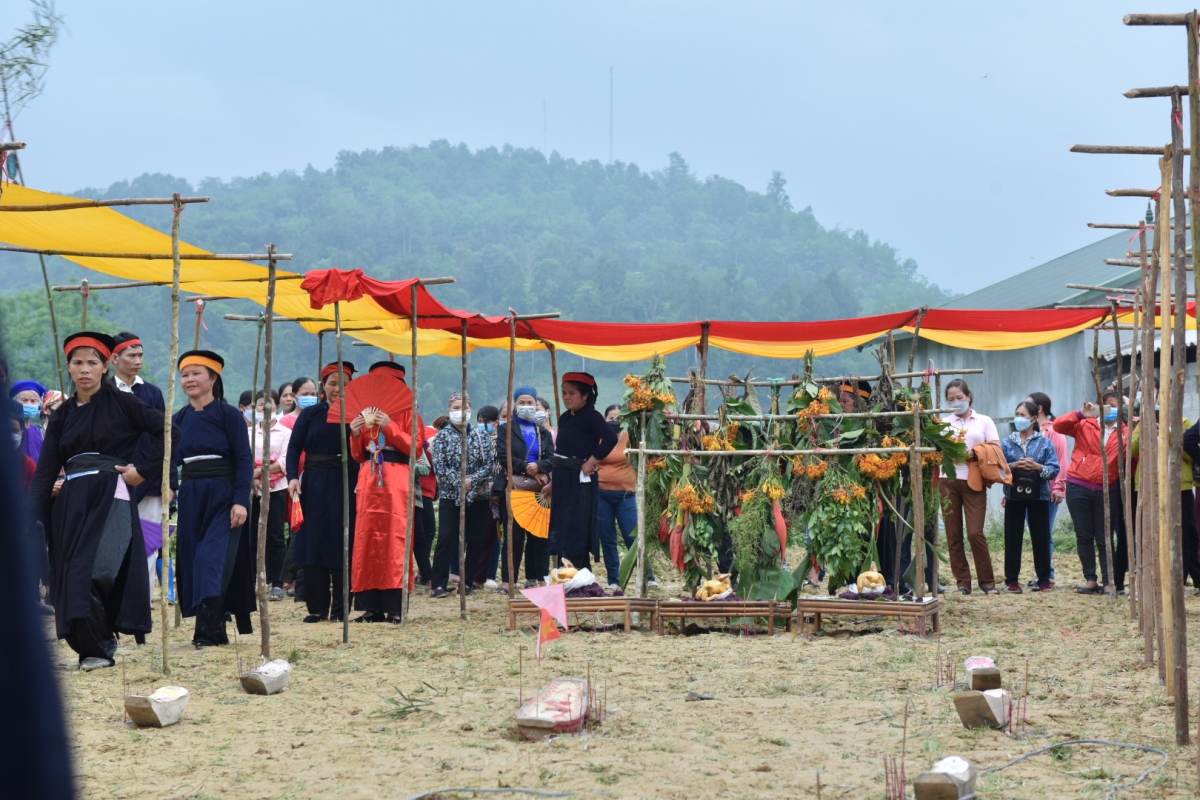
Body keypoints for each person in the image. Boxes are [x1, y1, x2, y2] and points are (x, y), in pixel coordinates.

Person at [28, 332, 164, 669]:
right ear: (69, 367)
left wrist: (142, 471)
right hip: (72, 502)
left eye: (92, 362)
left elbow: (169, 430)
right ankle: (90, 647)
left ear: (106, 366)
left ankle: (100, 646)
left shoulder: (123, 401)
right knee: (68, 573)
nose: (84, 369)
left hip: (112, 496)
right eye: (77, 362)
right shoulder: (61, 416)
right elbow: (45, 471)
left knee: (95, 570)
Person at [172, 350, 254, 647]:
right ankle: (215, 627)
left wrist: (240, 500)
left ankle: (205, 632)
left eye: (196, 373)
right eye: (185, 374)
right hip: (192, 495)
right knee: (194, 560)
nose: (189, 379)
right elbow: (168, 459)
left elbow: (244, 460)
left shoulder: (229, 415)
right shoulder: (179, 418)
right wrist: (170, 486)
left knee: (213, 559)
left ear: (213, 378)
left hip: (224, 493)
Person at [348, 361, 422, 622]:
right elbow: (358, 454)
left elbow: (416, 449)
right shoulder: (363, 412)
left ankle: (395, 607)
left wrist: (390, 425)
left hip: (396, 480)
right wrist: (355, 434)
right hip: (369, 479)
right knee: (366, 539)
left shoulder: (409, 412)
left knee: (395, 538)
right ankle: (371, 607)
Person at [287, 362, 359, 623]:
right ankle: (316, 608)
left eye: (344, 384)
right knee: (314, 543)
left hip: (347, 481)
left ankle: (341, 610)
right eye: (332, 383)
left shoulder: (358, 415)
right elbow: (294, 447)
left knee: (343, 542)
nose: (338, 389)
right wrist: (293, 477)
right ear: (323, 387)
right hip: (314, 483)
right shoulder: (311, 415)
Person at [110, 332, 170, 609]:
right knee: (114, 544)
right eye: (131, 355)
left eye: (140, 355)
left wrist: (168, 482)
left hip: (151, 481)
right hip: (113, 482)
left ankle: (141, 605)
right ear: (114, 358)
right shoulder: (103, 391)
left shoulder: (153, 393)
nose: (138, 361)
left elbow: (166, 438)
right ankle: (114, 603)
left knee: (148, 546)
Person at [1055, 392, 1126, 595]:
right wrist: (1079, 414)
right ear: (1100, 407)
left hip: (1107, 488)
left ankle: (1108, 581)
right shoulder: (1086, 423)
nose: (1112, 410)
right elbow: (1058, 425)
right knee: (1084, 535)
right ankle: (1090, 579)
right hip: (1079, 485)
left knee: (1105, 537)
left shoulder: (1126, 431)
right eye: (1109, 406)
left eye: (1117, 406)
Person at [547, 373, 618, 570]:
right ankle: (568, 573)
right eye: (564, 393)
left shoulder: (591, 416)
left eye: (572, 393)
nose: (566, 397)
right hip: (562, 480)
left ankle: (578, 573)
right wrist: (553, 483)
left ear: (585, 395)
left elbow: (611, 438)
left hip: (580, 481)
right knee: (563, 528)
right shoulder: (564, 418)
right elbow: (562, 453)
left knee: (577, 527)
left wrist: (591, 461)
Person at [430, 391, 495, 599]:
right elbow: (440, 466)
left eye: (465, 408)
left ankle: (467, 582)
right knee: (447, 537)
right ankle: (438, 583)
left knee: (475, 539)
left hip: (478, 495)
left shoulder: (481, 435)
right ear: (449, 410)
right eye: (456, 408)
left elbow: (490, 465)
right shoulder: (442, 437)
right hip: (451, 494)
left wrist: (472, 480)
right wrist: (459, 481)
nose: (461, 412)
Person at [941, 379, 1000, 595]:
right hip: (947, 479)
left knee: (975, 532)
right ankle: (962, 582)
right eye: (951, 399)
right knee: (953, 533)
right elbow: (934, 450)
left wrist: (975, 453)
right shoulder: (942, 422)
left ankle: (988, 582)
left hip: (973, 478)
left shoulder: (984, 421)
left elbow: (995, 447)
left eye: (959, 398)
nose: (956, 402)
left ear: (969, 397)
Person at [496, 386, 555, 592]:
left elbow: (551, 457)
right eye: (522, 402)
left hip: (539, 490)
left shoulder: (543, 432)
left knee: (539, 535)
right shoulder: (506, 429)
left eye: (531, 403)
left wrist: (540, 466)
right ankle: (508, 581)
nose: (527, 407)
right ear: (515, 405)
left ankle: (540, 578)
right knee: (514, 536)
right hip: (515, 487)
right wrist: (530, 468)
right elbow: (505, 457)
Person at [1000, 401, 1059, 593]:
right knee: (1013, 537)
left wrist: (1038, 468)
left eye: (1023, 415)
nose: (1018, 417)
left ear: (1034, 419)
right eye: (1016, 413)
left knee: (1041, 537)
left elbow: (1054, 469)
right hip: (1013, 497)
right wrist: (1015, 466)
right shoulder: (1007, 442)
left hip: (1039, 496)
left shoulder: (1045, 442)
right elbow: (999, 471)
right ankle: (1012, 580)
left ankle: (1043, 579)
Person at [597, 412, 658, 589]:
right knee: (608, 539)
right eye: (611, 417)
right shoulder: (597, 438)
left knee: (633, 536)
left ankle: (649, 576)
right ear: (604, 419)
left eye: (618, 418)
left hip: (626, 495)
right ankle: (614, 581)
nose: (614, 421)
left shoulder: (632, 438)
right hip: (601, 494)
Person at [1141, 404, 1197, 592]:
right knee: (1155, 532)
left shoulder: (1186, 424)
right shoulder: (1145, 423)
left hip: (1180, 486)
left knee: (1186, 535)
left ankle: (1181, 579)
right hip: (1153, 486)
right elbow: (1133, 450)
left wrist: (1169, 434)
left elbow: (1189, 453)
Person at [245, 389, 292, 601]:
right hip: (252, 491)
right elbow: (244, 459)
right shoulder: (248, 433)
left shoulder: (285, 433)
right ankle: (253, 580)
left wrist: (261, 471)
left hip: (277, 490)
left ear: (277, 406)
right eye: (260, 403)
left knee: (275, 537)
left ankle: (277, 583)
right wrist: (253, 477)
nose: (264, 407)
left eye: (268, 403)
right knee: (252, 536)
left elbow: (284, 462)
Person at [1026, 392, 1068, 586]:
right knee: (1036, 533)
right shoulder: (1029, 432)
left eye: (1027, 406)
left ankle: (1047, 574)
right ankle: (1042, 573)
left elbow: (1062, 461)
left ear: (1039, 409)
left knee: (1045, 533)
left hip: (1047, 491)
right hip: (1027, 491)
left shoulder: (1055, 431)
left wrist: (1059, 487)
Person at [413, 423, 439, 585]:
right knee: (422, 534)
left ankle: (425, 572)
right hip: (419, 490)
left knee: (428, 532)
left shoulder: (428, 433)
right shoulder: (429, 434)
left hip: (427, 490)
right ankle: (426, 575)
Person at [11, 379, 47, 464]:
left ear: (39, 405)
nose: (29, 404)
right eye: (24, 400)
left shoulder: (40, 433)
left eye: (33, 401)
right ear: (14, 402)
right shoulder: (7, 429)